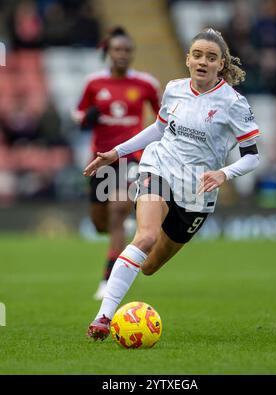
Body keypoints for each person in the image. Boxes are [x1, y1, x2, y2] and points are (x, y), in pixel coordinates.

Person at [83, 28, 261, 341]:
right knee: (146, 237)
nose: (202, 61)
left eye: (211, 57)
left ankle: (120, 287)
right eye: (197, 55)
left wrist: (224, 174)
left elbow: (251, 157)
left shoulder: (234, 104)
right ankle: (103, 317)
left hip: (197, 191)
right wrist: (115, 152)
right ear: (188, 59)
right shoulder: (174, 89)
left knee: (150, 266)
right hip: (159, 167)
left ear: (221, 64)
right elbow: (157, 129)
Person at [74, 27, 161, 300]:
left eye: (126, 50)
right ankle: (120, 227)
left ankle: (108, 278)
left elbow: (163, 119)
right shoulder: (94, 83)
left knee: (118, 209)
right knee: (100, 223)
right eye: (117, 50)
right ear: (108, 53)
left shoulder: (146, 84)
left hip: (131, 157)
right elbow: (78, 115)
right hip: (100, 160)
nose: (122, 55)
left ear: (132, 53)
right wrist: (87, 117)